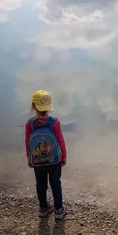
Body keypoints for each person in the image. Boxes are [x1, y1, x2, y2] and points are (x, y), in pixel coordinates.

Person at [25, 90, 67, 219]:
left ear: (33, 106)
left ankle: (43, 208)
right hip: (54, 160)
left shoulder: (29, 124)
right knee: (56, 183)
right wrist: (63, 156)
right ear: (49, 107)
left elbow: (27, 142)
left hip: (37, 161)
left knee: (41, 183)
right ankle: (59, 210)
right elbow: (60, 141)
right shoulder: (54, 122)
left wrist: (30, 158)